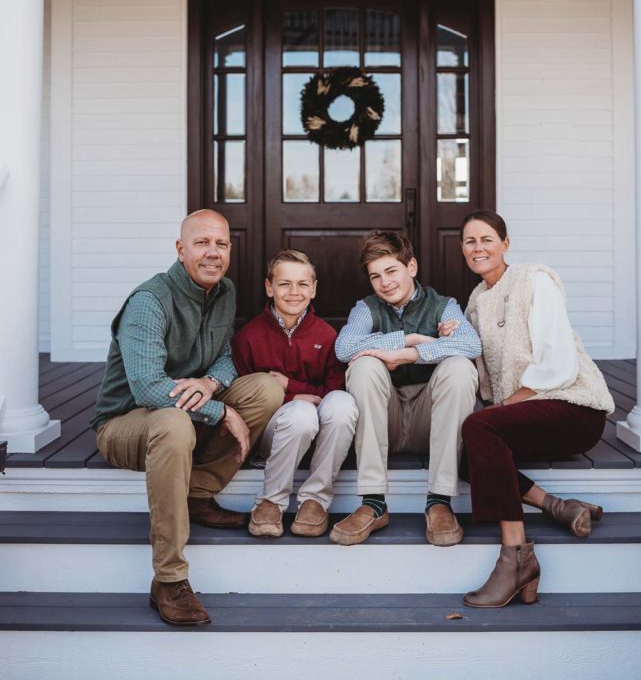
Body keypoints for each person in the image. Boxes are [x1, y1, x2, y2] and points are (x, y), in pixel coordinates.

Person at [91, 209, 282, 626]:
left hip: (186, 408)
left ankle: (196, 494)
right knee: (175, 422)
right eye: (201, 243)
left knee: (268, 388)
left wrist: (213, 385)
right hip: (127, 422)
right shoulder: (149, 301)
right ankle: (169, 579)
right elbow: (147, 389)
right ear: (181, 250)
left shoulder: (224, 291)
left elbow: (226, 357)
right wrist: (220, 409)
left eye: (221, 244)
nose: (213, 253)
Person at [458, 209, 615, 609]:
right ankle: (559, 507)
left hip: (571, 407)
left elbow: (560, 363)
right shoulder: (475, 301)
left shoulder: (535, 279)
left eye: (486, 239)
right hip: (523, 417)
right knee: (464, 455)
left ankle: (516, 556)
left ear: (505, 245)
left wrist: (507, 404)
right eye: (470, 241)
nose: (478, 248)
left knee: (479, 429)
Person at [331, 230, 481, 547]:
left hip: (431, 419)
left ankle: (439, 500)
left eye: (391, 271)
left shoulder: (443, 305)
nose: (385, 283)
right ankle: (373, 502)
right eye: (375, 276)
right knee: (363, 365)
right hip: (388, 418)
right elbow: (344, 349)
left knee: (460, 367)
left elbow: (470, 344)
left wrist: (412, 355)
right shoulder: (366, 308)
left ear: (411, 267)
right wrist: (410, 339)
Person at [232, 249, 358, 538]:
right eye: (284, 283)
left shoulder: (326, 336)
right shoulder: (248, 338)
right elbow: (242, 397)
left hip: (323, 437)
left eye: (302, 284)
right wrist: (296, 400)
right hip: (272, 436)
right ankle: (271, 500)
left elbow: (334, 390)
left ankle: (315, 499)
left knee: (343, 403)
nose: (293, 292)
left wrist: (292, 387)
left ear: (313, 289)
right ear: (269, 287)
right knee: (301, 413)